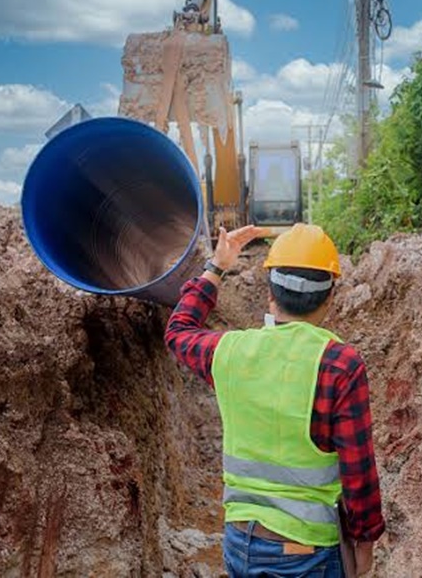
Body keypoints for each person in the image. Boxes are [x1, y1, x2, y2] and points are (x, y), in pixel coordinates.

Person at [164, 224, 385, 577]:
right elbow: (358, 471)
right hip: (306, 551)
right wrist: (365, 543)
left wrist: (217, 267)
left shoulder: (230, 351)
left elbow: (178, 330)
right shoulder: (339, 365)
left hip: (240, 544)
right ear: (330, 297)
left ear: (271, 295)